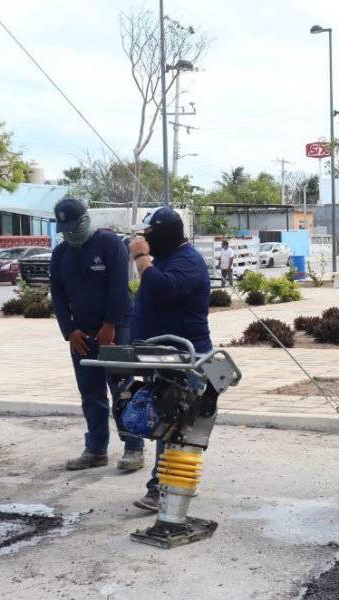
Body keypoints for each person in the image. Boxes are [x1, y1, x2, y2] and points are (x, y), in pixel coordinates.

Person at [49, 197, 144, 472]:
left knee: (122, 387)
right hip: (81, 332)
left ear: (86, 220)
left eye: (74, 225)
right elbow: (57, 295)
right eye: (64, 227)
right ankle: (96, 449)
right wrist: (69, 331)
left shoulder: (110, 244)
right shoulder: (61, 254)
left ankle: (134, 448)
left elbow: (118, 287)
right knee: (90, 391)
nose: (70, 232)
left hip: (117, 326)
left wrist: (110, 325)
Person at [128, 206, 212, 511]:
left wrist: (140, 258)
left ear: (162, 234)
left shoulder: (187, 261)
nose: (142, 240)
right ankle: (168, 484)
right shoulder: (166, 258)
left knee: (175, 423)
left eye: (147, 235)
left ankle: (163, 487)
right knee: (162, 420)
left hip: (184, 357)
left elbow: (163, 289)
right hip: (161, 355)